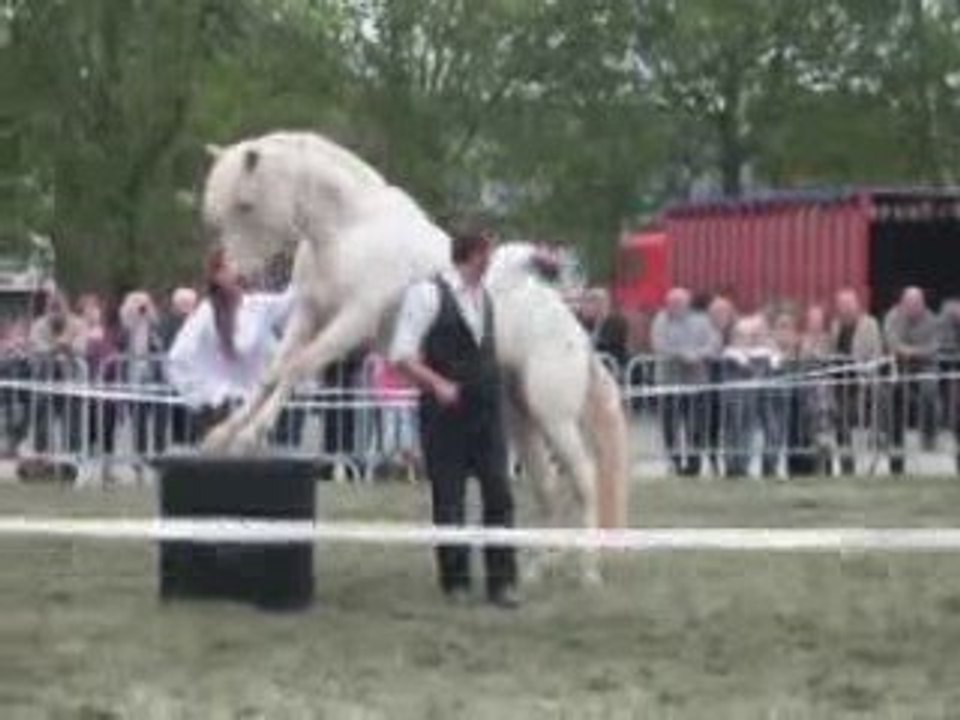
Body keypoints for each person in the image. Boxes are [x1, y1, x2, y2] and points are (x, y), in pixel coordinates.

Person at [390, 228, 519, 608]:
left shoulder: (486, 298)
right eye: (487, 254)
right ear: (474, 254)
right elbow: (401, 355)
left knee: (499, 493)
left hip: (488, 410)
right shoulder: (427, 294)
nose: (491, 261)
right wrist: (437, 384)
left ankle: (502, 582)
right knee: (449, 499)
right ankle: (456, 581)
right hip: (445, 413)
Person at [167, 248, 296, 441]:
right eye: (231, 264)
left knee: (253, 463)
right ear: (218, 276)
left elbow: (291, 301)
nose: (237, 268)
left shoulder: (256, 306)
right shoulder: (206, 312)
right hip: (219, 410)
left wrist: (307, 262)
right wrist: (206, 395)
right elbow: (178, 357)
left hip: (252, 406)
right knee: (221, 464)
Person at [650, 287, 719, 477]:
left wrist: (698, 355)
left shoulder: (702, 321)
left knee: (695, 424)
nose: (675, 307)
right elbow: (659, 345)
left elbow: (714, 343)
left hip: (696, 382)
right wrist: (682, 355)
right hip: (668, 382)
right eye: (671, 303)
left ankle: (694, 463)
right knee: (670, 424)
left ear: (688, 304)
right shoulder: (660, 320)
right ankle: (674, 461)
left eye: (679, 303)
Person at [883, 287, 940, 474]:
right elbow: (890, 340)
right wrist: (903, 350)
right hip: (899, 368)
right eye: (910, 303)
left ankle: (929, 435)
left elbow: (934, 347)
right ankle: (892, 443)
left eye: (918, 303)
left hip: (925, 367)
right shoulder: (893, 316)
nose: (914, 307)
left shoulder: (932, 320)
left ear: (923, 304)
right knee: (891, 396)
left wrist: (912, 352)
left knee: (930, 390)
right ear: (903, 303)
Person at [829, 289, 883, 475]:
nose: (844, 309)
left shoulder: (870, 324)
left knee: (857, 426)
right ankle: (846, 466)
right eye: (841, 305)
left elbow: (876, 353)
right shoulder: (836, 325)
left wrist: (865, 371)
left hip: (860, 383)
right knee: (840, 426)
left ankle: (866, 465)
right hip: (838, 384)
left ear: (856, 304)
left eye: (848, 304)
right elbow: (832, 351)